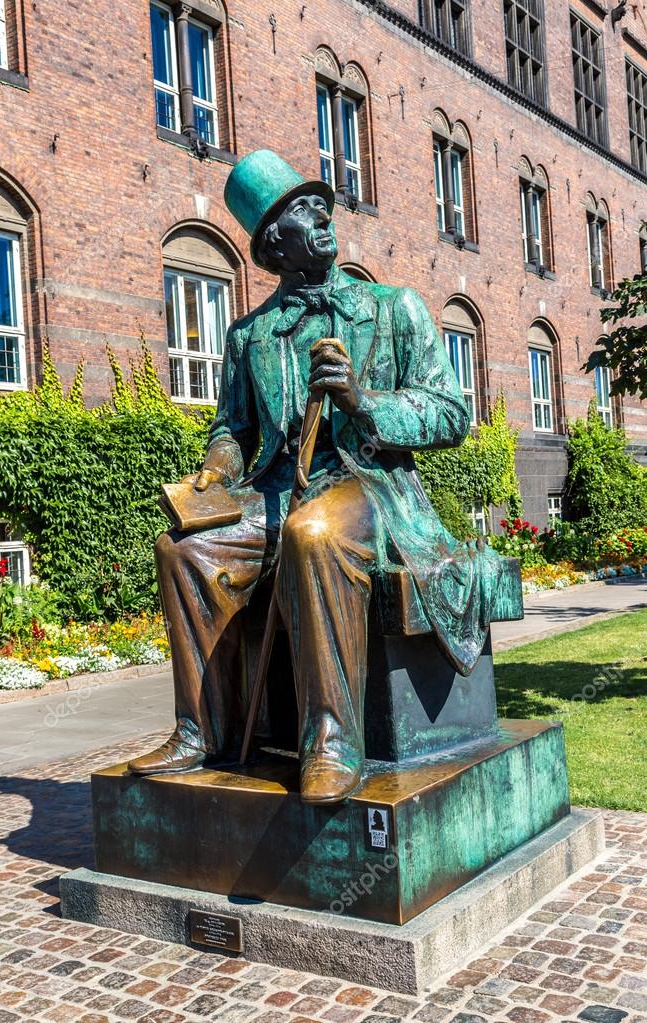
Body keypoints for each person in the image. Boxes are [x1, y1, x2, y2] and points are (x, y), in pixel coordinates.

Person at [129, 149, 504, 803]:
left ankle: (333, 743)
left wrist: (363, 401)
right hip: (271, 492)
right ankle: (201, 732)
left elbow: (450, 415)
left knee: (316, 530)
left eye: (322, 206)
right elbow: (231, 430)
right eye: (305, 210)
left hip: (371, 488)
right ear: (275, 240)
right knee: (180, 549)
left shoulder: (394, 310)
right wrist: (215, 471)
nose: (323, 216)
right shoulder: (250, 336)